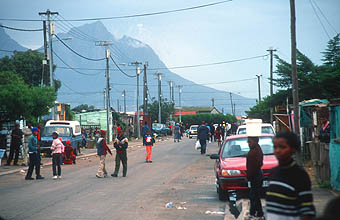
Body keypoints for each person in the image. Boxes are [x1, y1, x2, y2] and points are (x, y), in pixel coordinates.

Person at [266, 132, 316, 219]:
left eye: (282, 147)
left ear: (293, 149)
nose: (277, 150)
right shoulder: (273, 173)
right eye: (275, 147)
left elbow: (307, 209)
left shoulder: (299, 175)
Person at [246, 136, 264, 219]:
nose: (248, 144)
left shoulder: (253, 152)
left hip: (255, 175)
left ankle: (254, 212)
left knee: (254, 195)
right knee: (255, 195)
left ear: (255, 141)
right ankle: (258, 212)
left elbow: (253, 167)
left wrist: (248, 176)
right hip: (257, 175)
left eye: (250, 142)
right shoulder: (257, 149)